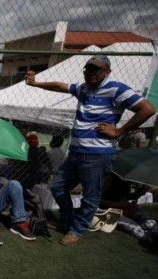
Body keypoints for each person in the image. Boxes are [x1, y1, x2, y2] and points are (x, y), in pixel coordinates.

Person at [26, 55, 156, 245]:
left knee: (90, 195)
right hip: (76, 153)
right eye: (88, 69)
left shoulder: (116, 89)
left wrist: (119, 131)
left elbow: (147, 109)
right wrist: (35, 84)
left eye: (96, 70)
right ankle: (67, 221)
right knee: (58, 187)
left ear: (107, 72)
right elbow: (60, 86)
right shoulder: (83, 88)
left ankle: (76, 230)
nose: (91, 73)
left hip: (98, 154)